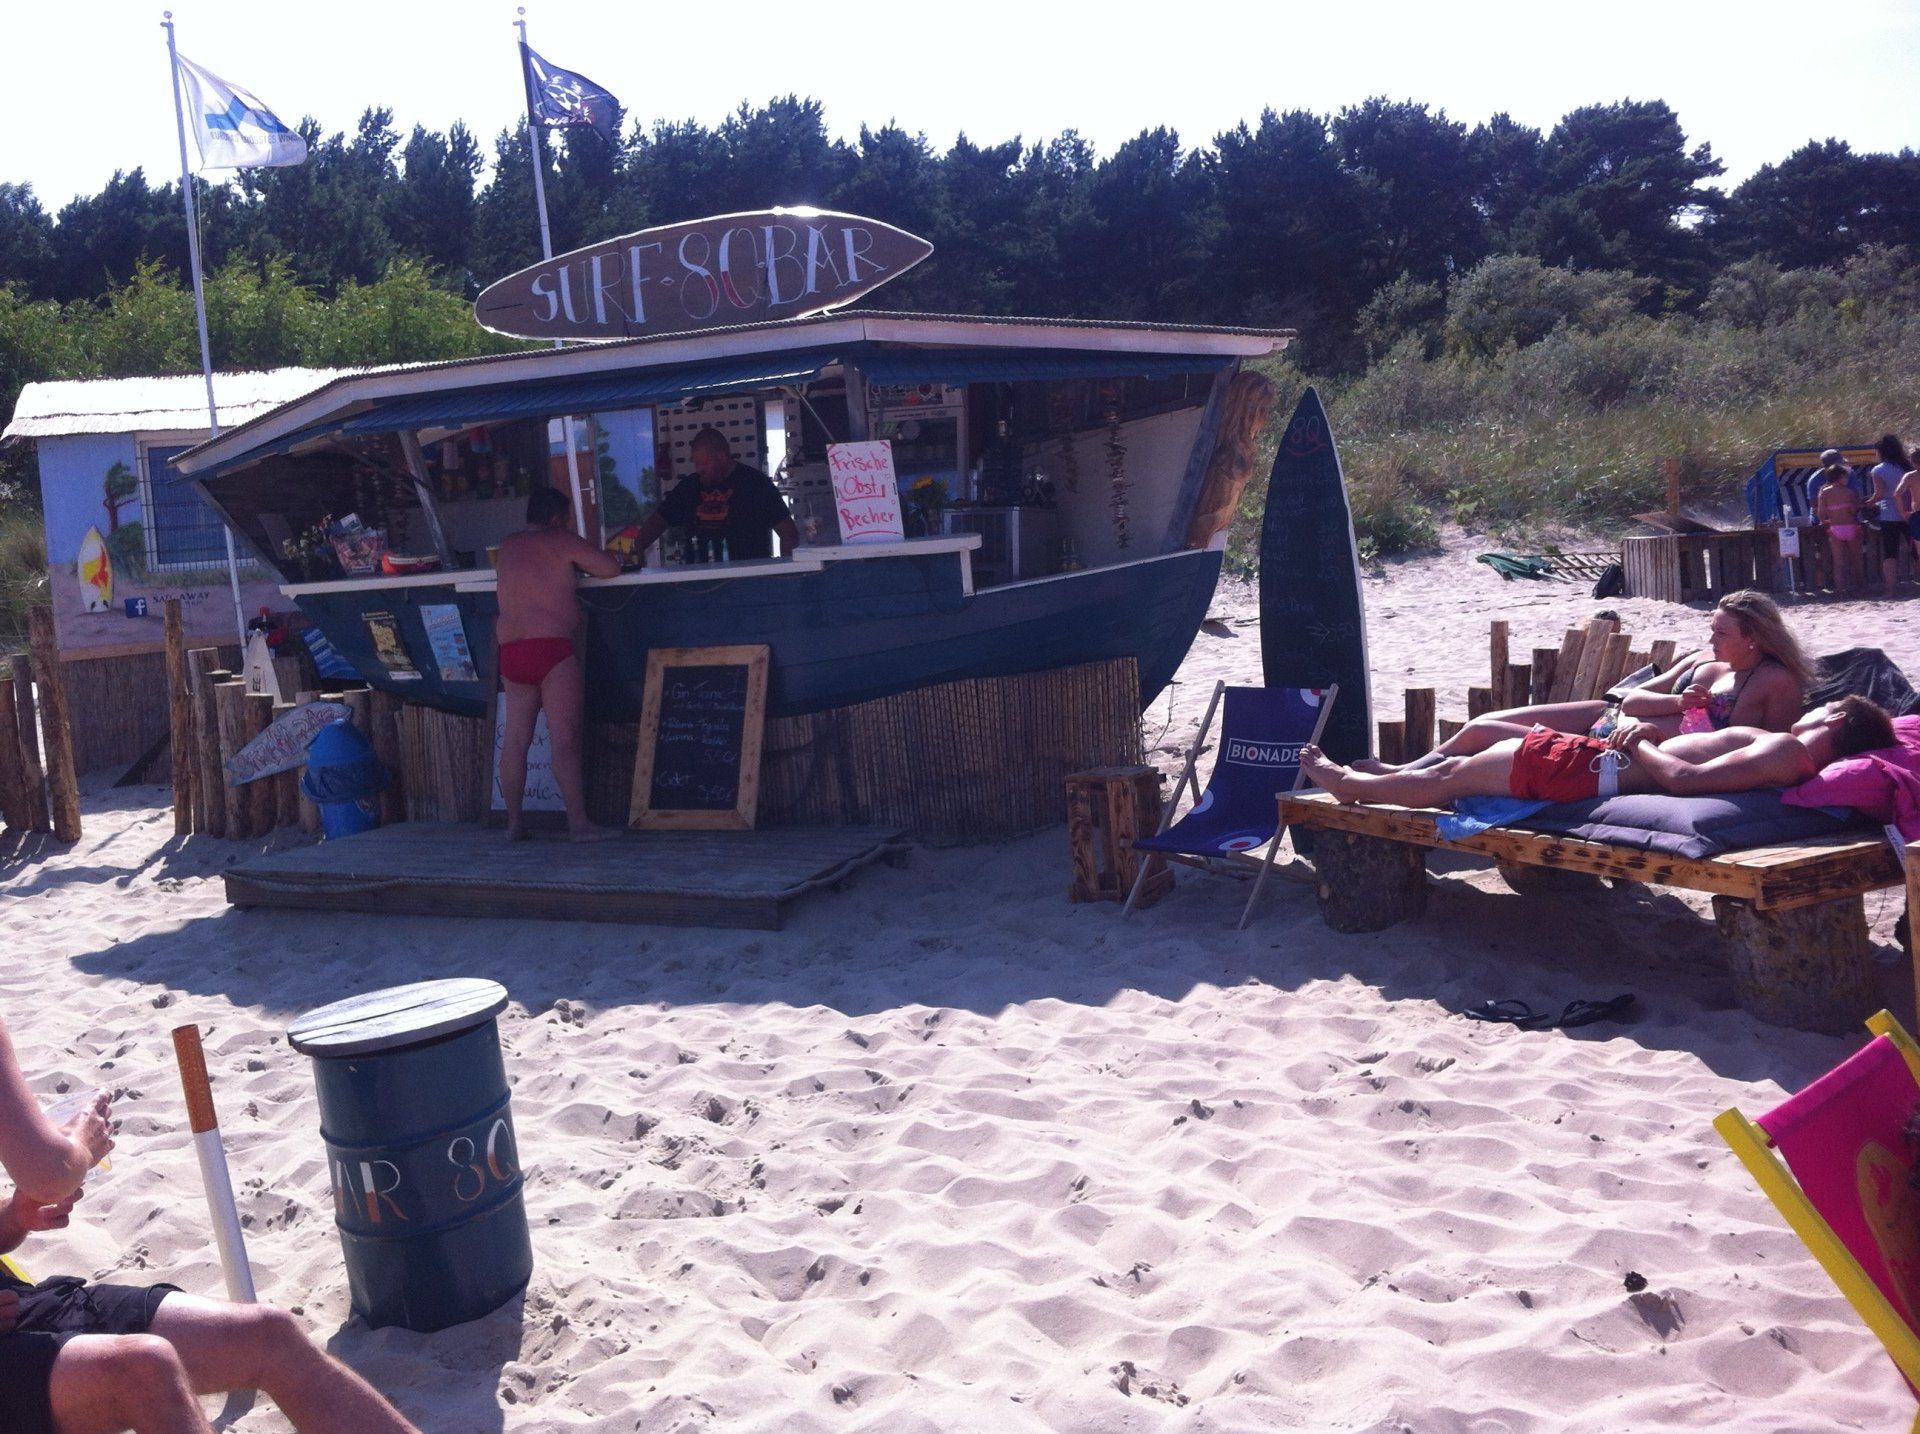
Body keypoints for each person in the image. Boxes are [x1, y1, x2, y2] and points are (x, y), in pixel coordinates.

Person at [0, 1019, 417, 1434]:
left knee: (269, 1334)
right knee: (144, 1368)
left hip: (20, 1305)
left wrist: (14, 1217)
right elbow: (52, 1173)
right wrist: (79, 1142)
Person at [1359, 590, 1810, 772]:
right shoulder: (1700, 661)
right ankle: (1404, 771)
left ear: (1752, 638)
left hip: (1621, 750)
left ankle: (1397, 776)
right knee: (1489, 719)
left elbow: (1775, 749)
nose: (1709, 637)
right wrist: (1680, 703)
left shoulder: (1774, 681)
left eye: (1720, 632)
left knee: (1485, 735)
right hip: (1607, 716)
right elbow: (1632, 699)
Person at [1303, 696, 1896, 809]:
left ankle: (1353, 787)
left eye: (1824, 708)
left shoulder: (1791, 749)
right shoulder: (1789, 755)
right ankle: (1382, 777)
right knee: (1470, 754)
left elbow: (1686, 781)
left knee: (1454, 778)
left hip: (1603, 767)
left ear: (1836, 719)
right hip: (1601, 761)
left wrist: (1639, 739)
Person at [493, 485, 623, 842]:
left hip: (512, 652)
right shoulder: (562, 540)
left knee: (516, 741)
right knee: (564, 741)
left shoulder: (507, 545)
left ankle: (513, 824)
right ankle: (579, 825)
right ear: (556, 519)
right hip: (551, 648)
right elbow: (609, 568)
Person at [630, 428, 799, 564]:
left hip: (748, 579)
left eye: (703, 463)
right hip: (699, 582)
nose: (698, 469)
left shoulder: (756, 484)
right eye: (695, 463)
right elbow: (659, 521)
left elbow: (788, 533)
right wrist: (637, 546)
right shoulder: (690, 486)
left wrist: (785, 574)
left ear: (721, 456)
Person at [1813, 451, 1866, 596]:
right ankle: (1860, 586)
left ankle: (1840, 589)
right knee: (1856, 558)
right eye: (1845, 476)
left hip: (1835, 528)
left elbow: (1820, 513)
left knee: (1838, 562)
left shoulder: (1824, 493)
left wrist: (1825, 522)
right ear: (1840, 477)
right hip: (1851, 526)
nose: (1846, 478)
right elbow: (1855, 509)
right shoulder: (1849, 492)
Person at [1868, 433, 1914, 599]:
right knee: (1916, 551)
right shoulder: (1908, 466)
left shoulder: (1878, 470)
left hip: (1889, 515)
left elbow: (1879, 495)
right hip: (1910, 513)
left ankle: (1890, 591)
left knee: (1890, 554)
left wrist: (1867, 503)